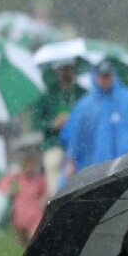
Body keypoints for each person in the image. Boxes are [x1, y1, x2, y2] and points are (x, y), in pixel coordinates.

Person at [60, 61, 128, 178]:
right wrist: (71, 161)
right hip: (94, 166)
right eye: (102, 76)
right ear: (96, 77)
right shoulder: (85, 105)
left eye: (108, 76)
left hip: (127, 163)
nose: (105, 80)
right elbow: (75, 135)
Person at [31, 59, 86, 195]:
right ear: (57, 71)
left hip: (79, 146)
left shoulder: (82, 93)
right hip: (54, 144)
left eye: (69, 68)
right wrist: (52, 124)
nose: (66, 72)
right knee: (55, 179)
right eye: (63, 68)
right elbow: (36, 122)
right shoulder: (46, 94)